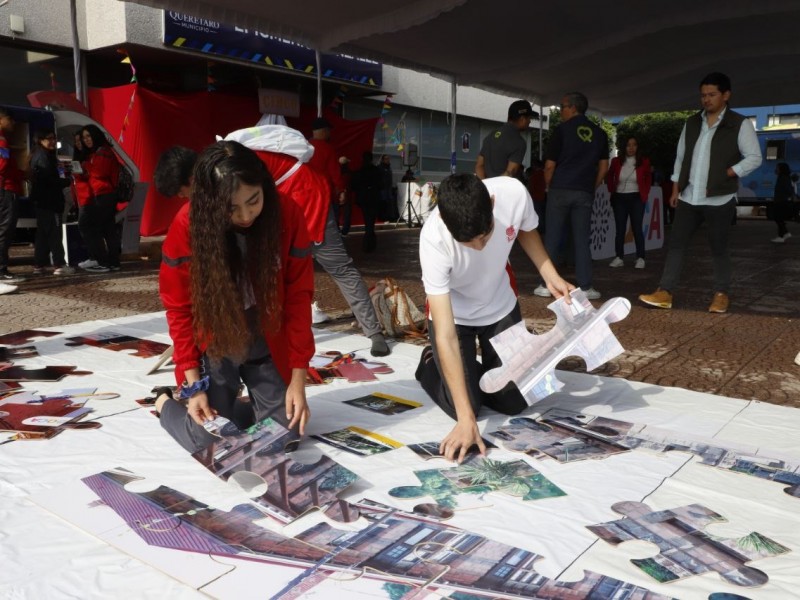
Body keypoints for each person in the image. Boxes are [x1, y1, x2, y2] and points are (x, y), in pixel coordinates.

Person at [158, 141, 313, 452]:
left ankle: (241, 405)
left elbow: (298, 297)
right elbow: (179, 307)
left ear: (265, 187)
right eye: (231, 208)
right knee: (208, 441)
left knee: (287, 436)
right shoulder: (187, 224)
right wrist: (193, 385)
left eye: (253, 201)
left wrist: (298, 378)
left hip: (265, 333)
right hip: (215, 338)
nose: (245, 216)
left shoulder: (287, 214)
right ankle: (164, 401)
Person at [415, 174, 573, 462]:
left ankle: (466, 372)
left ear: (492, 203)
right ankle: (430, 363)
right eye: (468, 242)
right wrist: (465, 421)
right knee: (468, 408)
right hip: (456, 316)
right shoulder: (433, 238)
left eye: (485, 235)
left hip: (499, 304)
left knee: (513, 402)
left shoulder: (512, 193)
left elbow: (526, 228)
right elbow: (446, 335)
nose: (480, 247)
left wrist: (550, 274)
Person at [639, 72, 762, 313]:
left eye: (712, 94)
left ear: (726, 95)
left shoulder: (739, 123)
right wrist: (675, 188)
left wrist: (729, 172)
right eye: (703, 95)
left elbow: (754, 158)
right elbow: (681, 158)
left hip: (720, 197)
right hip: (689, 195)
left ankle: (721, 294)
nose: (706, 99)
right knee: (676, 244)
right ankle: (665, 292)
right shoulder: (692, 122)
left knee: (718, 247)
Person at [534, 92, 609, 300]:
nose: (561, 110)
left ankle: (545, 284)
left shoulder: (561, 131)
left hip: (560, 189)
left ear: (573, 108)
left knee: (552, 238)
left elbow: (549, 165)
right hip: (584, 191)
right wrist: (590, 186)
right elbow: (604, 167)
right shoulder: (600, 133)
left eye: (563, 106)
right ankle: (586, 287)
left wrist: (550, 185)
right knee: (582, 239)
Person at [75, 125, 121, 273]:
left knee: (93, 227)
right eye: (84, 137)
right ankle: (112, 262)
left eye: (88, 136)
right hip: (104, 194)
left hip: (104, 194)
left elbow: (100, 172)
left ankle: (103, 261)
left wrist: (85, 165)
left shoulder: (103, 152)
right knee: (108, 229)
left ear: (95, 135)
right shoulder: (101, 152)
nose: (86, 140)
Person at [29, 129, 73, 276]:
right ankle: (59, 264)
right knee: (54, 232)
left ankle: (39, 264)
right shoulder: (43, 157)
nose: (53, 141)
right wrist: (66, 181)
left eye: (54, 138)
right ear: (41, 140)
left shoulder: (42, 155)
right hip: (49, 201)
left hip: (43, 201)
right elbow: (48, 180)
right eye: (49, 139)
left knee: (42, 234)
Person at [606, 136, 652, 269]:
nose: (631, 148)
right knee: (620, 229)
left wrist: (645, 191)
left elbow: (648, 176)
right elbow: (609, 175)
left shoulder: (644, 161)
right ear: (623, 147)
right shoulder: (615, 161)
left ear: (638, 147)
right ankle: (619, 257)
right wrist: (611, 189)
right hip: (619, 198)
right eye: (628, 145)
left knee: (637, 228)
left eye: (634, 145)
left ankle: (640, 257)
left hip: (637, 197)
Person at [307, 117, 349, 232]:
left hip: (305, 194)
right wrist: (341, 191)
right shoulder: (327, 149)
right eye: (328, 131)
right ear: (324, 131)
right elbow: (335, 174)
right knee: (328, 228)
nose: (329, 133)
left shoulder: (304, 146)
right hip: (324, 195)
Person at [476, 100, 533, 180]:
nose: (530, 121)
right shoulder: (519, 142)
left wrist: (486, 187)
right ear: (522, 119)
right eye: (529, 118)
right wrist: (496, 189)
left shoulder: (490, 135)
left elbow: (479, 165)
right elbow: (510, 173)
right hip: (503, 190)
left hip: (486, 189)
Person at [0, 107, 23, 282]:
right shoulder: (2, 141)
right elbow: (3, 165)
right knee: (4, 231)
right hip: (6, 190)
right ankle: (2, 271)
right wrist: (22, 174)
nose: (13, 123)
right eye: (10, 119)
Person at [350, 151, 382, 252]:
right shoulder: (377, 171)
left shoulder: (359, 171)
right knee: (371, 221)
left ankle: (368, 242)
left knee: (367, 219)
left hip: (363, 198)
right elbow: (382, 185)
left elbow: (353, 186)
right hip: (373, 197)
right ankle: (370, 241)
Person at [770, 162, 793, 243]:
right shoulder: (782, 177)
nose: (776, 169)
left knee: (778, 218)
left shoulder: (783, 178)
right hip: (780, 200)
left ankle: (781, 236)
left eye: (777, 168)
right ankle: (785, 233)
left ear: (781, 169)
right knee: (778, 218)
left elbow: (789, 189)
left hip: (781, 201)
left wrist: (791, 195)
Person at [378, 153, 397, 220]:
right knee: (383, 202)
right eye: (386, 159)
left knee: (390, 202)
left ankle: (390, 216)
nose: (388, 160)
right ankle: (383, 217)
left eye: (388, 159)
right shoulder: (380, 167)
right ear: (383, 160)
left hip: (388, 188)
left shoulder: (389, 168)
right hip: (382, 188)